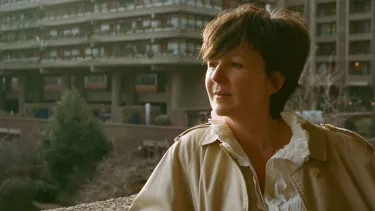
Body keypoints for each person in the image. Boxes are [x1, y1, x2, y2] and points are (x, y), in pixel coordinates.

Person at [128, 3, 375, 211]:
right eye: (212, 63)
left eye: (236, 64)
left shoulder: (343, 151)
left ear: (275, 81)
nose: (216, 76)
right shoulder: (189, 153)